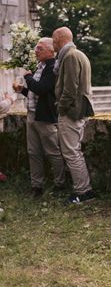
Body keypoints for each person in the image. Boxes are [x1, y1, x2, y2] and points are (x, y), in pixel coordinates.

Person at [13, 38, 66, 197]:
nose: (36, 50)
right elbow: (35, 93)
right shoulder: (40, 66)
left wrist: (28, 77)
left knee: (53, 152)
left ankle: (60, 185)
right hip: (32, 115)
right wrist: (22, 89)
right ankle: (37, 187)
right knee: (33, 152)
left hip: (45, 118)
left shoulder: (52, 67)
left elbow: (43, 89)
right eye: (36, 48)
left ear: (51, 51)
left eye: (39, 48)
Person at [52, 27, 96, 204]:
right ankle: (84, 190)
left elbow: (70, 89)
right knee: (73, 151)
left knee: (71, 152)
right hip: (78, 109)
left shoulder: (70, 56)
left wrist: (61, 108)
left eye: (54, 40)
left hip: (72, 111)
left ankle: (83, 191)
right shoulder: (78, 54)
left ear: (59, 39)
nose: (53, 44)